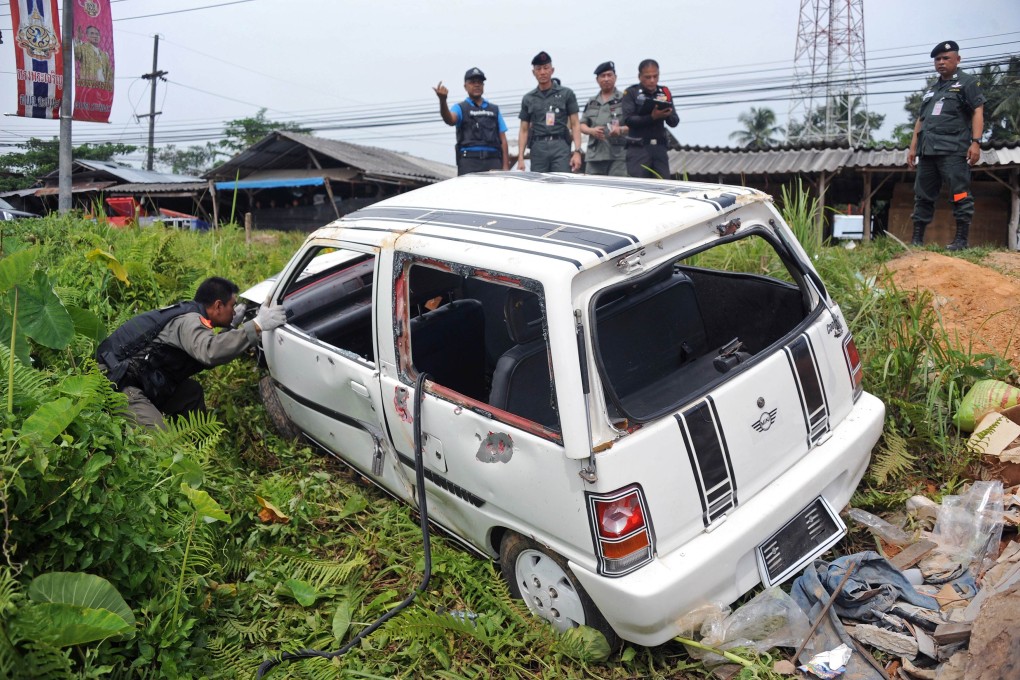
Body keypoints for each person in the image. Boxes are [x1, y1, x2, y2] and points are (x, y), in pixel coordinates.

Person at [96, 277, 287, 429]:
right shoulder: (189, 321)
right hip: (119, 384)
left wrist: (231, 326)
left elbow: (205, 350)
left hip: (145, 380)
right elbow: (210, 351)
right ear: (218, 306)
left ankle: (197, 447)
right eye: (231, 305)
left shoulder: (191, 314)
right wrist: (256, 325)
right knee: (159, 440)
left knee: (191, 394)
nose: (234, 310)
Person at [907, 40, 986, 250]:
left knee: (959, 193)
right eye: (938, 59)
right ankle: (916, 240)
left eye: (946, 58)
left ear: (957, 60)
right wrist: (913, 147)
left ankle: (961, 240)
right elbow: (921, 119)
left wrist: (976, 142)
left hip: (953, 149)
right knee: (922, 194)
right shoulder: (932, 89)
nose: (941, 62)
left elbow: (978, 110)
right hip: (927, 151)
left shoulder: (967, 83)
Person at [434, 67, 510, 175]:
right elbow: (449, 119)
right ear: (465, 86)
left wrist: (506, 167)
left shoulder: (494, 110)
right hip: (469, 162)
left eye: (480, 82)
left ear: (483, 86)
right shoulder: (460, 108)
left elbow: (503, 140)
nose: (476, 85)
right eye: (472, 82)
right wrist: (443, 101)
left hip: (493, 162)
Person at [518, 51, 582, 173]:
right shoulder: (528, 98)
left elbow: (575, 124)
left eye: (546, 68)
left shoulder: (566, 94)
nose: (542, 72)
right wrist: (520, 157)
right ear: (533, 72)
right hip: (538, 148)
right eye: (538, 69)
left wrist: (577, 151)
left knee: (561, 183)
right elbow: (523, 129)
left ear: (552, 70)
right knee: (539, 185)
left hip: (560, 146)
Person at [622, 59, 679, 179]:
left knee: (664, 186)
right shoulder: (631, 93)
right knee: (638, 188)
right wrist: (652, 117)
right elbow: (628, 120)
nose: (652, 80)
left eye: (655, 76)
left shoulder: (664, 92)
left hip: (659, 148)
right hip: (638, 149)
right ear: (640, 76)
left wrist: (667, 113)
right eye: (648, 77)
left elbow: (674, 121)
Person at [579, 61, 628, 176]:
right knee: (593, 189)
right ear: (597, 80)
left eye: (609, 75)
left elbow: (634, 125)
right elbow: (582, 125)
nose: (606, 79)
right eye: (603, 76)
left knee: (617, 189)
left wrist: (620, 130)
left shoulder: (624, 99)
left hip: (618, 155)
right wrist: (591, 131)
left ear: (615, 78)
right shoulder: (592, 101)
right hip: (594, 155)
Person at [73, 25, 113, 90]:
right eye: (92, 33)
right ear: (87, 36)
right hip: (89, 87)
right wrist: (78, 39)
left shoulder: (104, 55)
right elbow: (77, 55)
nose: (95, 36)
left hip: (102, 88)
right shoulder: (83, 48)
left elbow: (109, 73)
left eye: (97, 34)